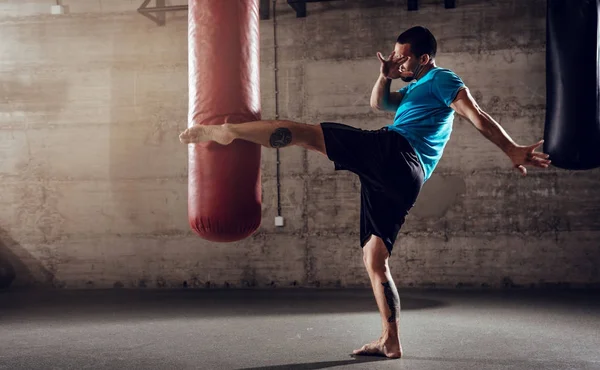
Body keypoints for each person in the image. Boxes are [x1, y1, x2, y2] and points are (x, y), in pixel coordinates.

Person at [179, 26, 551, 359]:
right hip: (407, 178)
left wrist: (511, 149)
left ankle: (228, 131)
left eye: (402, 58)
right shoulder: (413, 90)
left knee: (307, 134)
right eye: (395, 57)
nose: (398, 62)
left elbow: (475, 112)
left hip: (394, 151)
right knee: (375, 259)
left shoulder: (441, 79)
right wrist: (386, 76)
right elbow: (378, 104)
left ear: (424, 58)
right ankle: (391, 340)